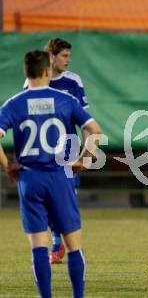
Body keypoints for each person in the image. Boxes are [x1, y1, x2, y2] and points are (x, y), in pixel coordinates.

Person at [0, 50, 101, 297]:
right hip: (59, 174)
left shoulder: (14, 103)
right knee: (73, 244)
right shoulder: (64, 100)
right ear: (47, 71)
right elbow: (94, 131)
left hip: (29, 177)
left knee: (38, 245)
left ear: (26, 72)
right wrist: (84, 159)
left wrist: (7, 166)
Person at [24, 38, 89, 264]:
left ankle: (60, 242)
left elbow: (85, 121)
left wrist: (85, 155)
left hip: (68, 149)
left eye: (69, 56)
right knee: (45, 200)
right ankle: (56, 242)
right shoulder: (34, 81)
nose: (68, 61)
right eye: (64, 56)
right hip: (42, 151)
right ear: (51, 57)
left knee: (67, 199)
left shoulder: (73, 82)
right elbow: (26, 115)